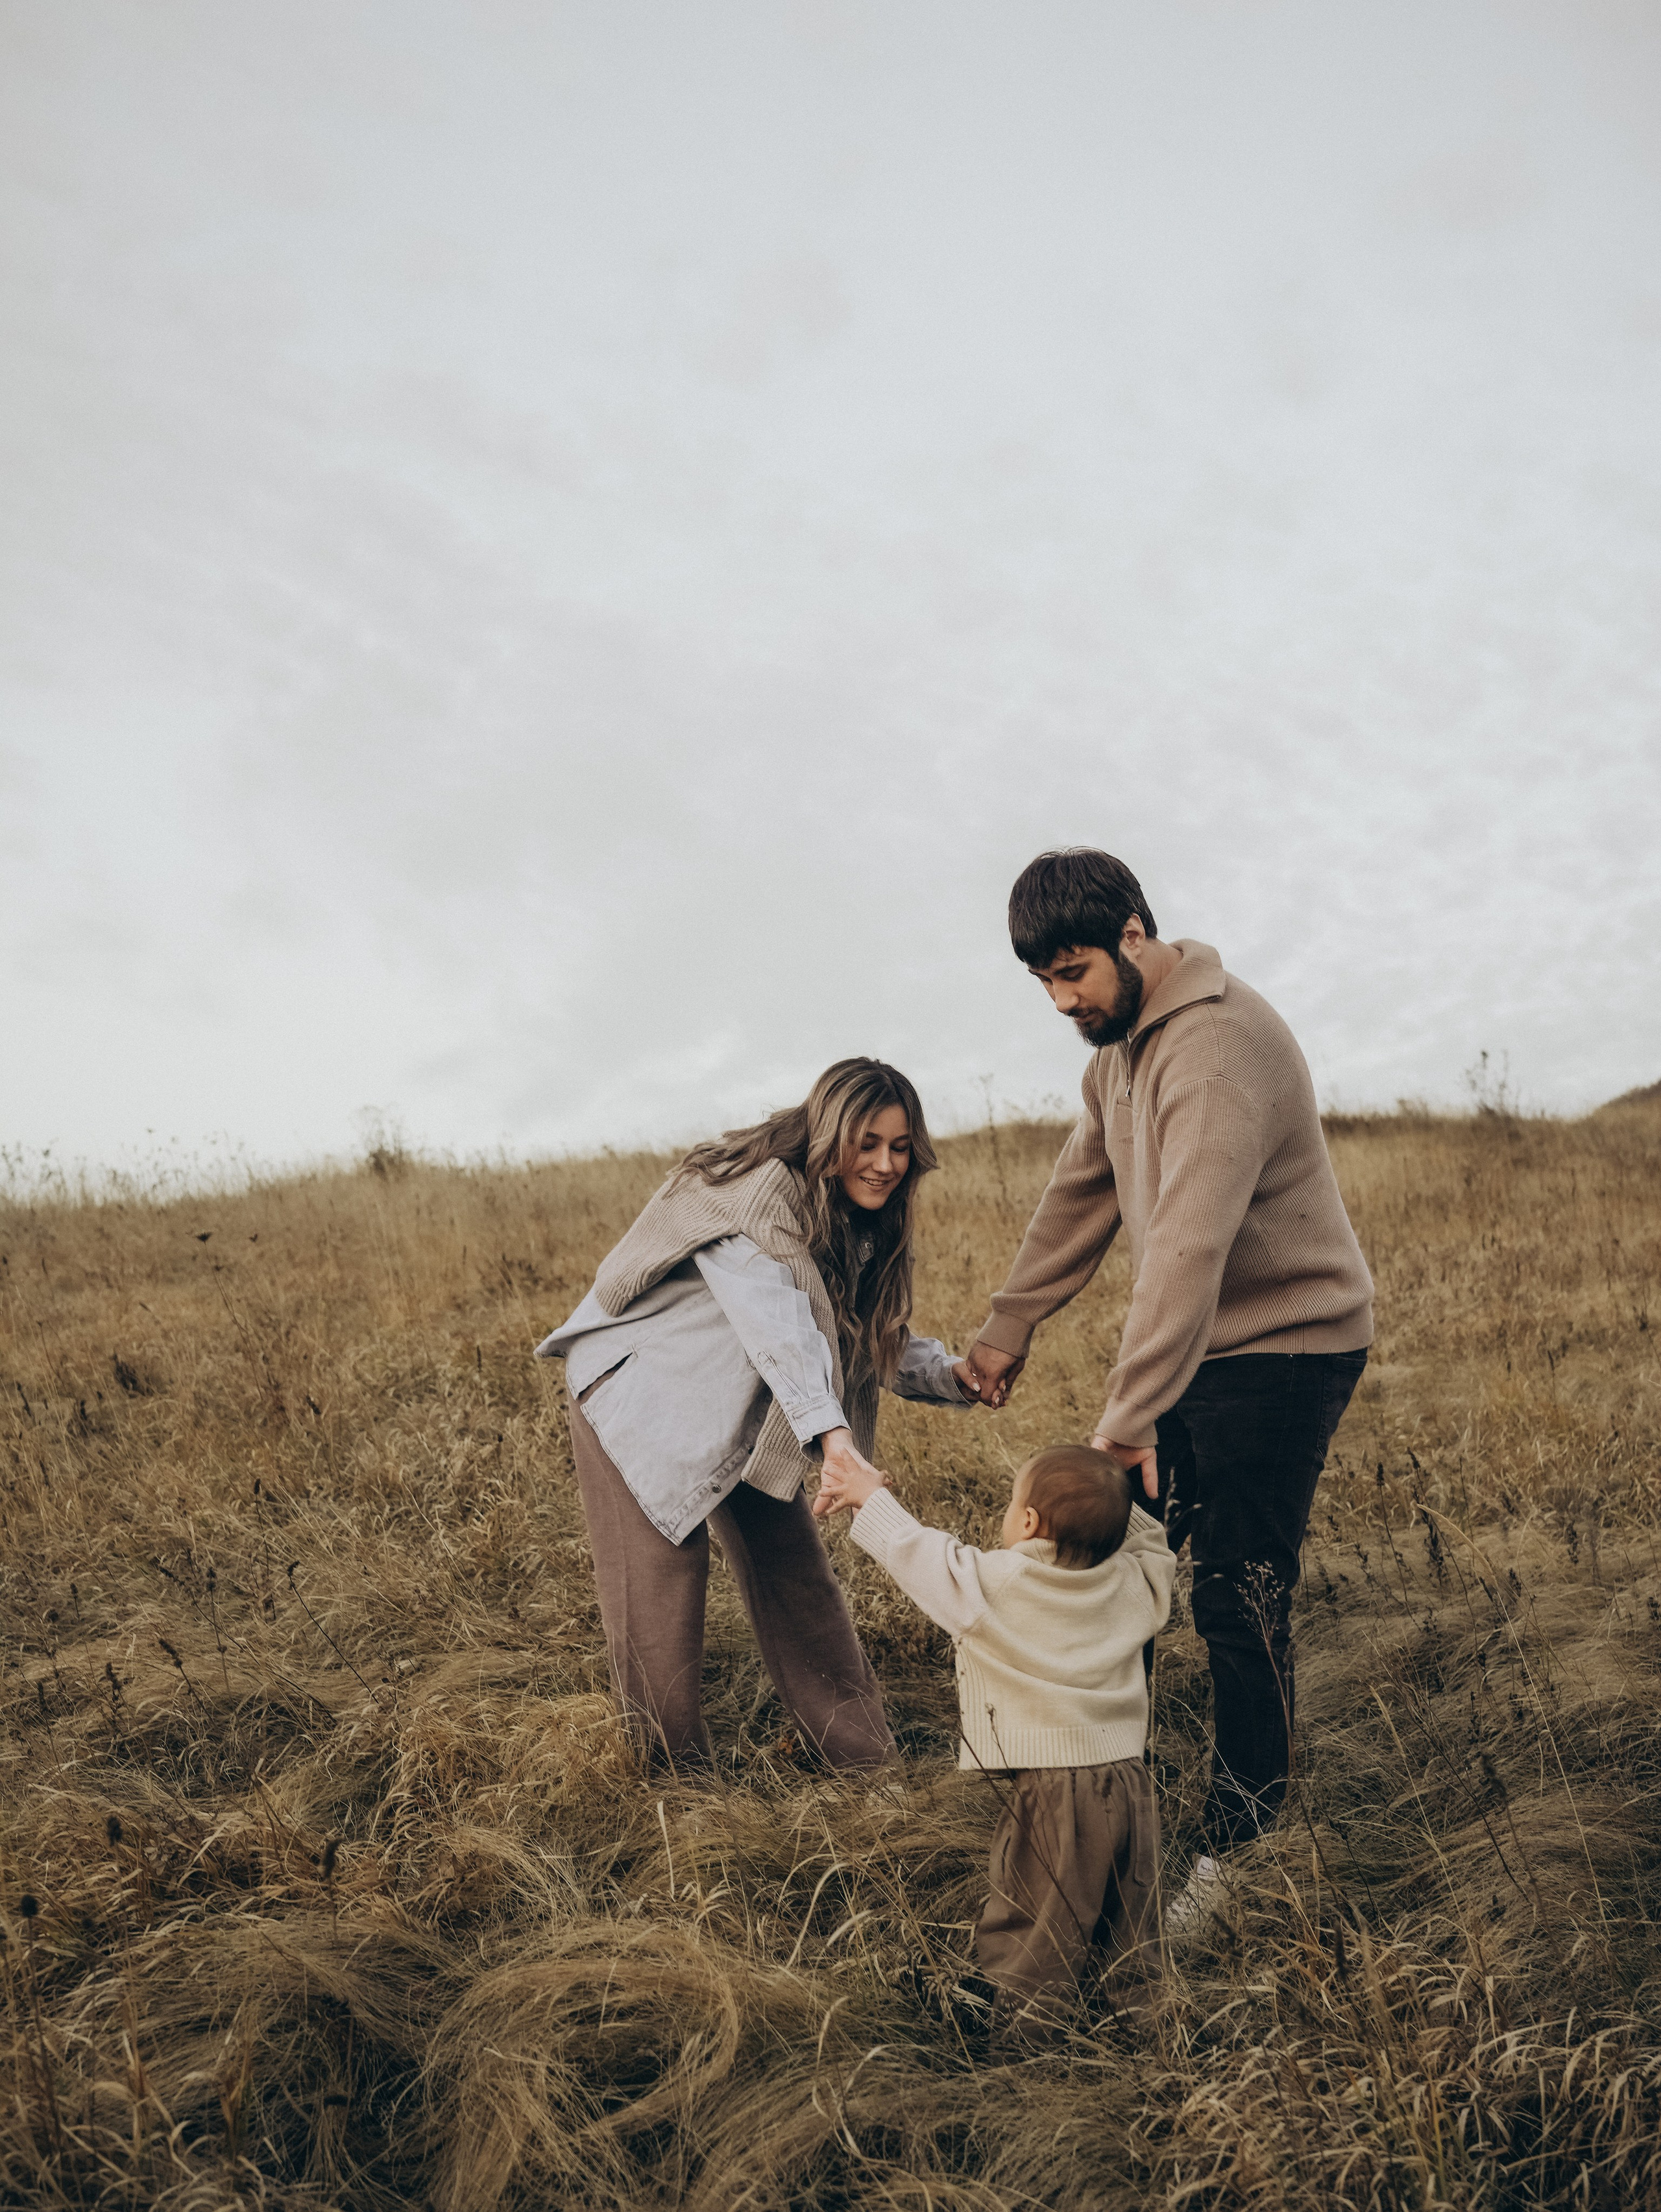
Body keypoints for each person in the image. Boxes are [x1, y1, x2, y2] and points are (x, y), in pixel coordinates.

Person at [965, 849, 1373, 1934]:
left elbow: (1187, 1248)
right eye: (1045, 982)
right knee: (1118, 1573)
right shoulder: (1117, 1059)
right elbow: (1079, 1195)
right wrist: (1011, 1326)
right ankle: (1096, 1815)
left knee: (1235, 1593)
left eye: (1077, 971)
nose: (1064, 1000)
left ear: (1135, 935)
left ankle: (1244, 1854)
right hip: (1195, 1348)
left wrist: (1123, 1426)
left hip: (1285, 1348)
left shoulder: (1217, 1046)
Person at [537, 1057, 978, 1772]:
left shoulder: (855, 1217)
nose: (886, 1163)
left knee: (799, 1579)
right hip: (642, 1397)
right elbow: (779, 1323)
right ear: (830, 1130)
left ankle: (867, 1768)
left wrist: (957, 1375)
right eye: (867, 1143)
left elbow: (860, 1334)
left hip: (749, 1410)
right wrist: (833, 1437)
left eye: (900, 1146)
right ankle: (674, 1793)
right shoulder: (756, 1192)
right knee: (662, 1594)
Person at [814, 1442, 1174, 2029]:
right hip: (1132, 1787)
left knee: (1036, 1919)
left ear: (1029, 1522)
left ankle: (1018, 2038)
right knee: (1131, 1925)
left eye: (1013, 1502)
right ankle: (1145, 2031)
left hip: (1056, 1791)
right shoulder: (1134, 1583)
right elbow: (1153, 1546)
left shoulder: (1002, 1584)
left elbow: (922, 1556)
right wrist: (1116, 1495)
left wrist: (869, 1497)